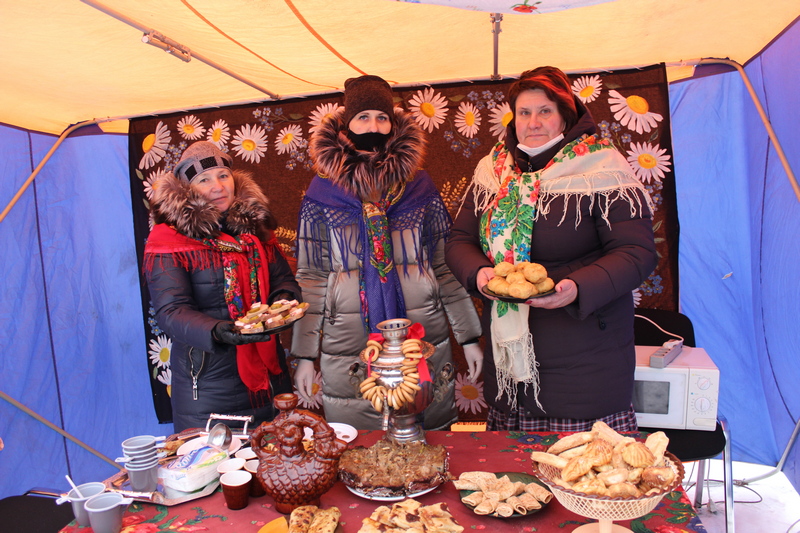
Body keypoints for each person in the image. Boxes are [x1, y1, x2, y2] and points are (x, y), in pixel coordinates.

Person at [445, 66, 658, 432]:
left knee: (584, 481)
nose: (533, 122)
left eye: (545, 111)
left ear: (565, 114)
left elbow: (636, 252)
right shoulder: (492, 171)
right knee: (513, 483)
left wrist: (577, 288)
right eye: (524, 113)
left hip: (585, 361)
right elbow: (459, 241)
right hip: (510, 366)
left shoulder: (602, 168)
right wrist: (478, 273)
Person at [291, 75, 483, 430]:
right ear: (346, 125)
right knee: (361, 447)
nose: (374, 126)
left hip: (421, 330)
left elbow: (444, 266)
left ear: (393, 125)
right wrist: (304, 355)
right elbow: (312, 278)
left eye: (381, 118)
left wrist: (469, 337)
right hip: (348, 338)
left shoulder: (419, 187)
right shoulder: (321, 194)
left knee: (427, 441)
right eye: (363, 117)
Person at [144, 141, 301, 433]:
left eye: (223, 176)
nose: (218, 186)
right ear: (188, 190)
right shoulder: (168, 239)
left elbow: (282, 278)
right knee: (217, 471)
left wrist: (283, 300)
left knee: (276, 468)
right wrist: (217, 331)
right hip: (208, 386)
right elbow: (171, 311)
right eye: (204, 179)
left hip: (271, 378)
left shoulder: (254, 226)